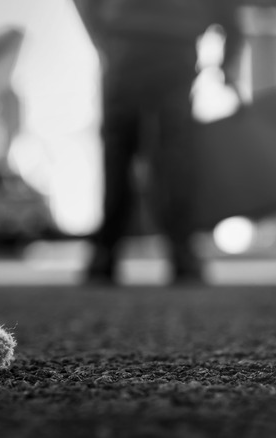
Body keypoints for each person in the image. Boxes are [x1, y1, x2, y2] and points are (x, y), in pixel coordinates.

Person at [74, 0, 244, 285]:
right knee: (175, 156)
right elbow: (227, 8)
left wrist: (103, 36)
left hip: (125, 44)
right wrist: (230, 56)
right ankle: (183, 255)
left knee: (118, 152)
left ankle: (105, 255)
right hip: (174, 45)